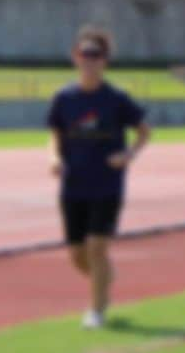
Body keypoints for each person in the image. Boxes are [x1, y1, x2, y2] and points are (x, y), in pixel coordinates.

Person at [47, 25, 151, 330]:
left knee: (96, 247)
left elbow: (144, 132)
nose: (90, 61)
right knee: (78, 255)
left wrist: (128, 155)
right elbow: (55, 135)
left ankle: (96, 310)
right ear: (75, 58)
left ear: (105, 60)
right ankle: (104, 281)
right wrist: (53, 158)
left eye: (96, 55)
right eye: (85, 55)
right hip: (73, 185)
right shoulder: (64, 99)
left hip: (106, 184)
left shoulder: (116, 99)